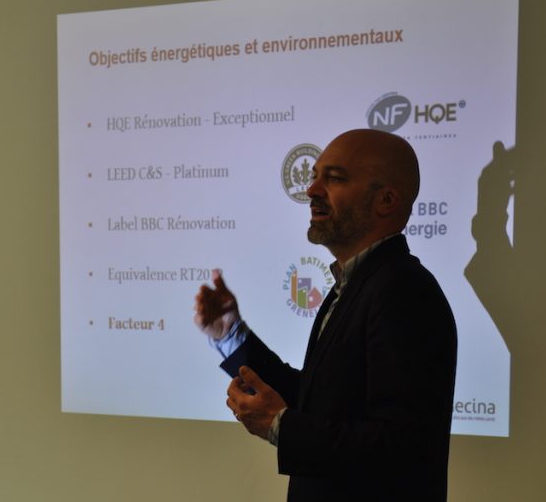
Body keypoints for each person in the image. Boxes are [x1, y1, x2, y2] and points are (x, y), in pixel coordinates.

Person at [194, 129, 457, 501]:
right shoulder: (355, 285)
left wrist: (282, 426)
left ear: (385, 200)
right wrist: (230, 334)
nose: (312, 189)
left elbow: (401, 446)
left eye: (334, 179)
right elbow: (320, 399)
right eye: (315, 176)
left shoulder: (403, 290)